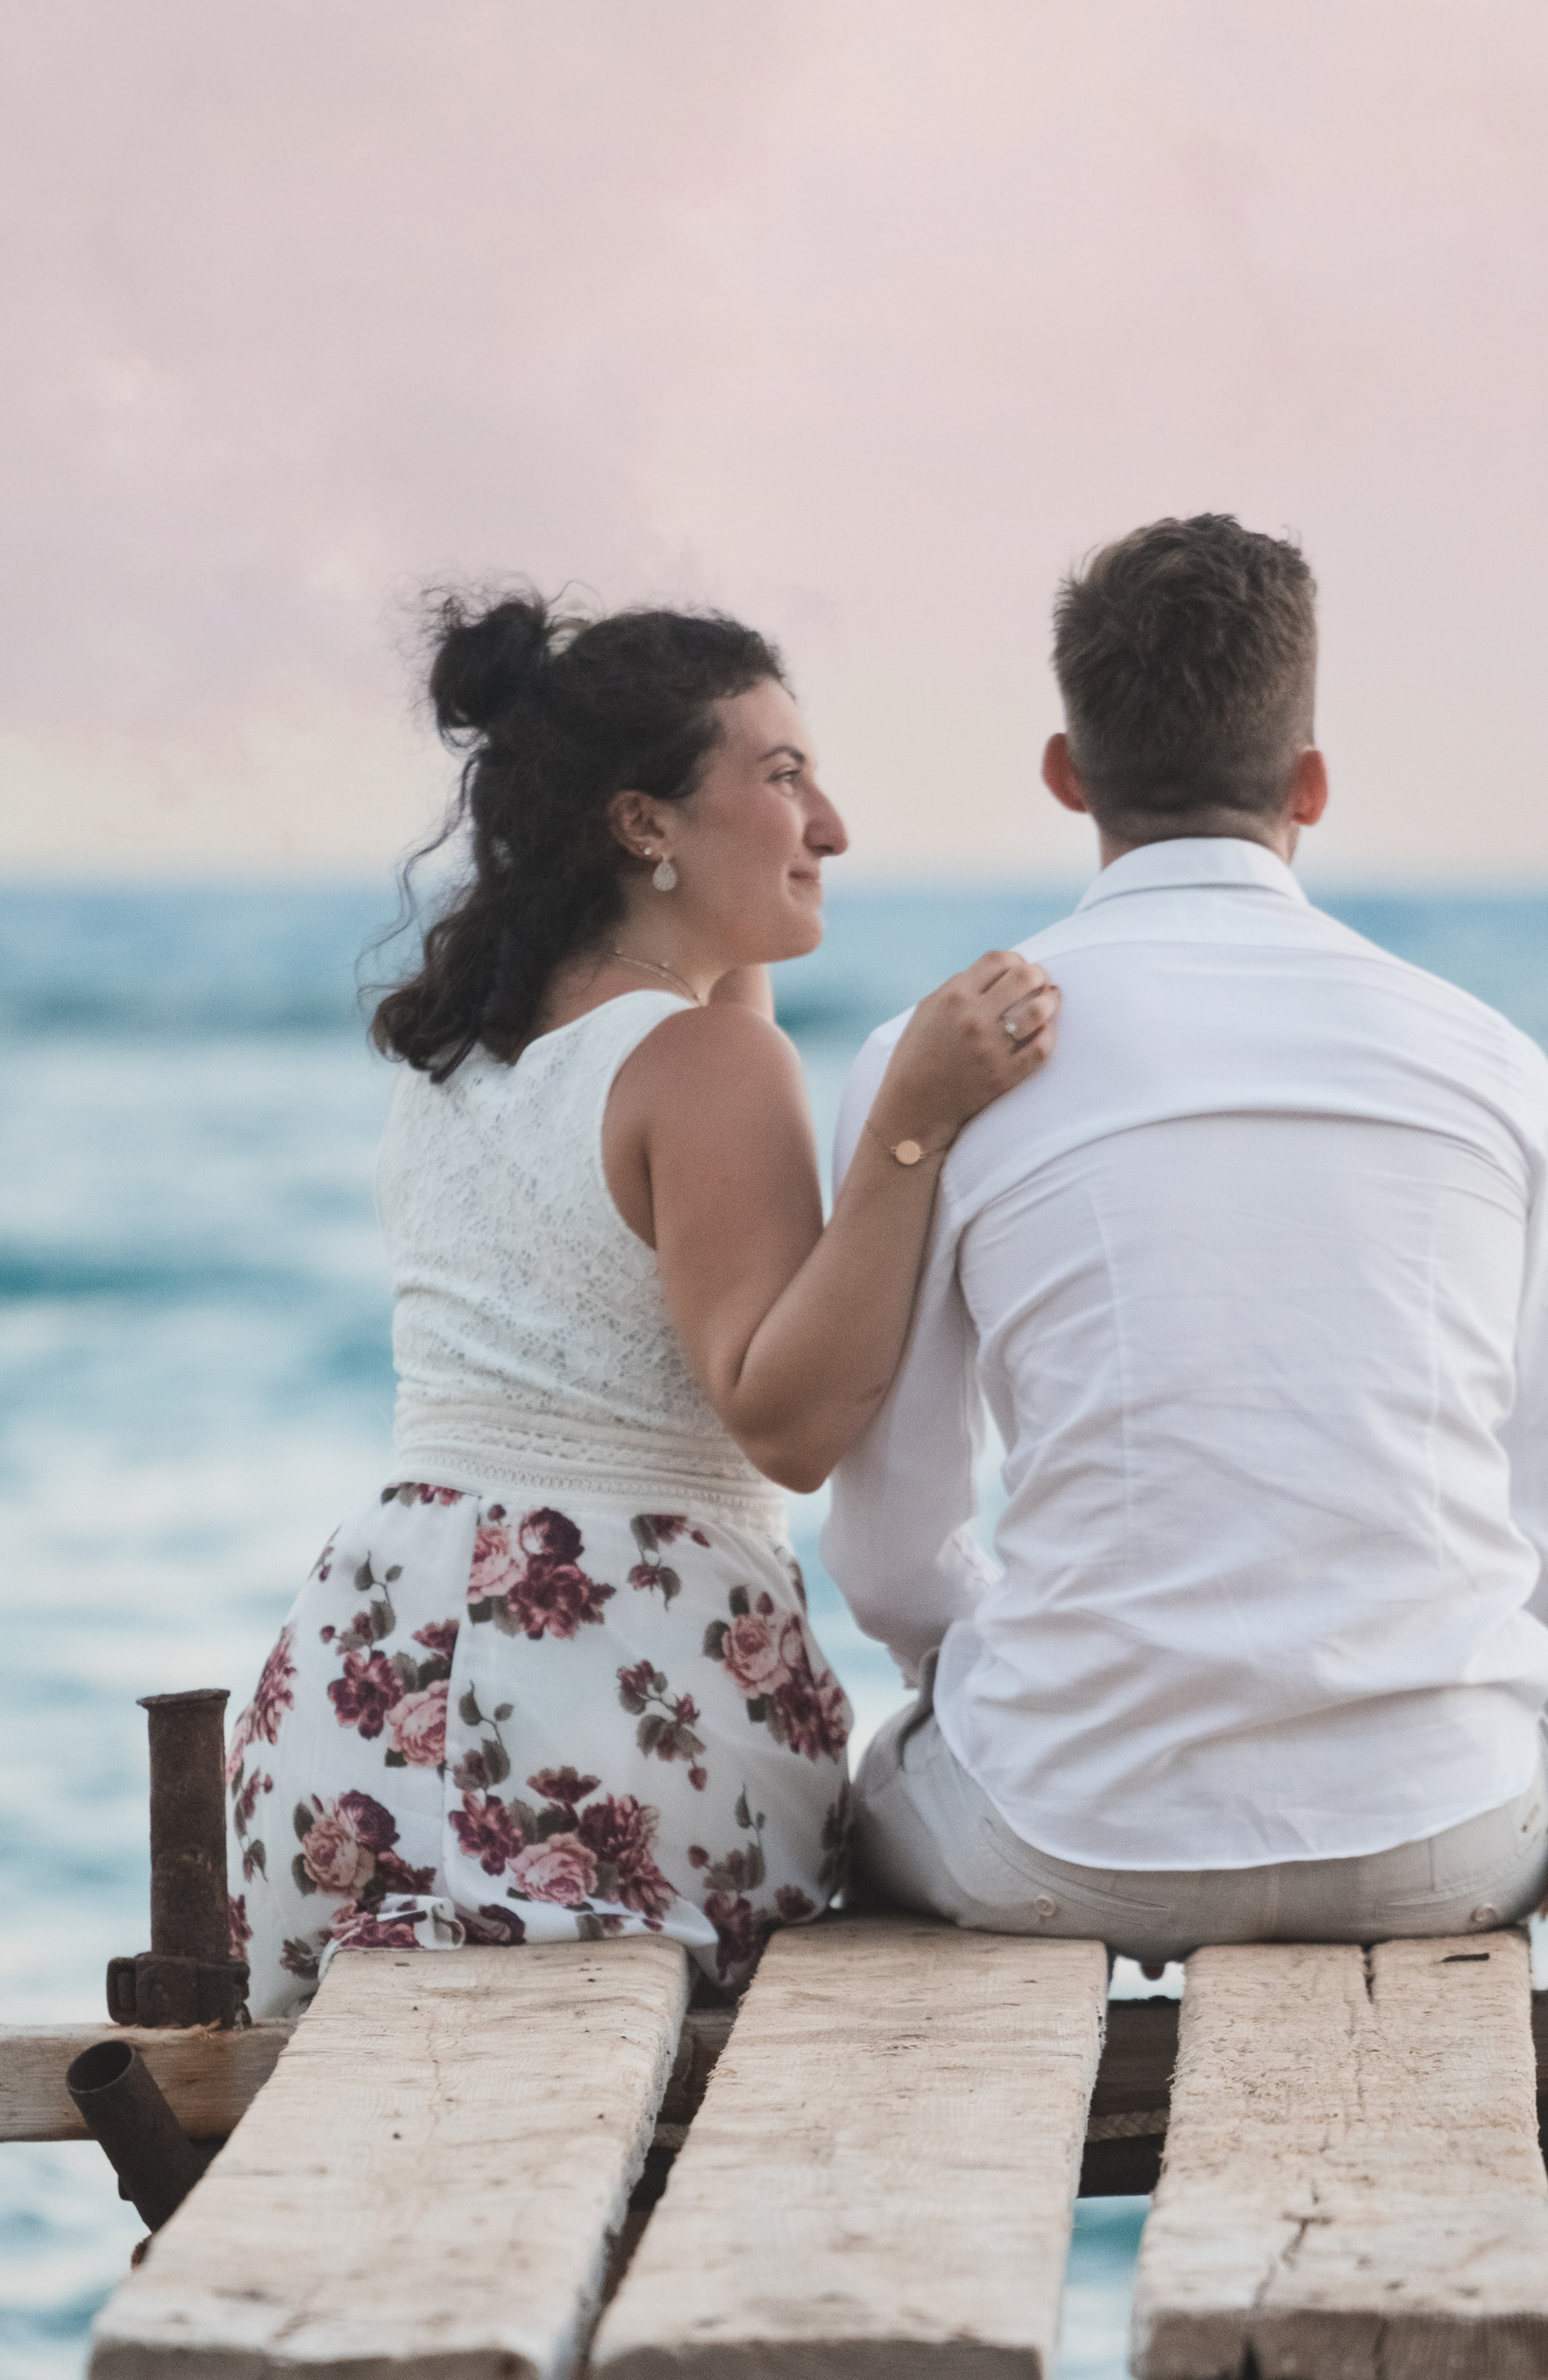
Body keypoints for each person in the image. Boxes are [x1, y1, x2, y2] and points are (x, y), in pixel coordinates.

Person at [231, 588, 1056, 2014]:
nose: (834, 827)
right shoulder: (703, 1068)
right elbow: (785, 1424)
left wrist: (736, 934)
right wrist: (915, 1123)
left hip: (350, 1723)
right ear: (644, 826)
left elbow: (705, 1026)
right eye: (785, 779)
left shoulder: (468, 1059)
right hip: (607, 1733)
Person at [827, 513, 1548, 1962]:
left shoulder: (936, 1060)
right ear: (1311, 781)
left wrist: (1054, 1684)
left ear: (1067, 773)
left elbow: (889, 1566)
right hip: (1437, 1834)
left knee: (883, 1795)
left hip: (1067, 1837)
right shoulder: (1494, 1065)